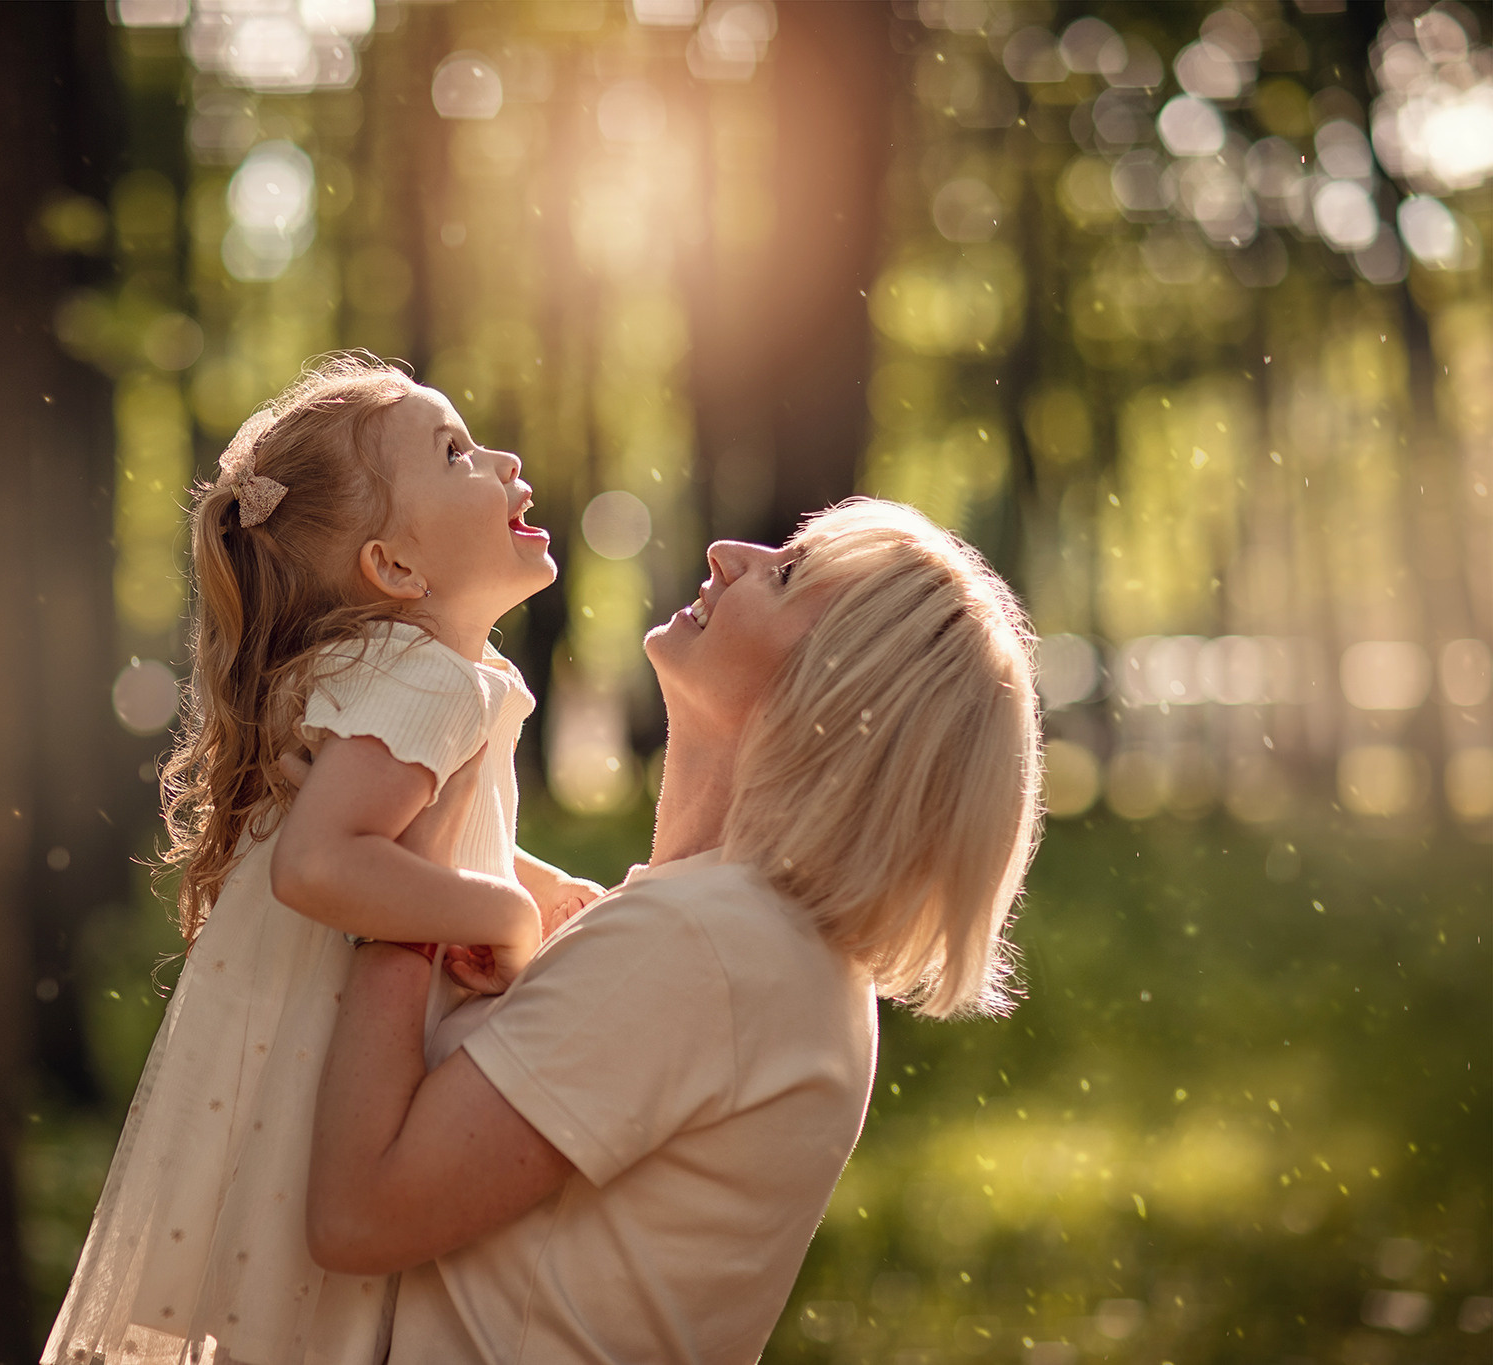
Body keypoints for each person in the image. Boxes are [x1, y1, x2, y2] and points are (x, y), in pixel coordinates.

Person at [307, 498, 1044, 1362]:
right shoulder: (746, 938)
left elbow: (360, 1215)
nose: (727, 551)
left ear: (838, 688)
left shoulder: (705, 942)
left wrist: (402, 890)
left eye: (787, 573)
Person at [43, 356, 602, 1365]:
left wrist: (519, 875)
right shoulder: (431, 682)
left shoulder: (393, 675)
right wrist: (504, 920)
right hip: (329, 1085)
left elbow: (395, 836)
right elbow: (320, 866)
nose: (504, 459)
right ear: (393, 569)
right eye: (455, 453)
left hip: (284, 1076)